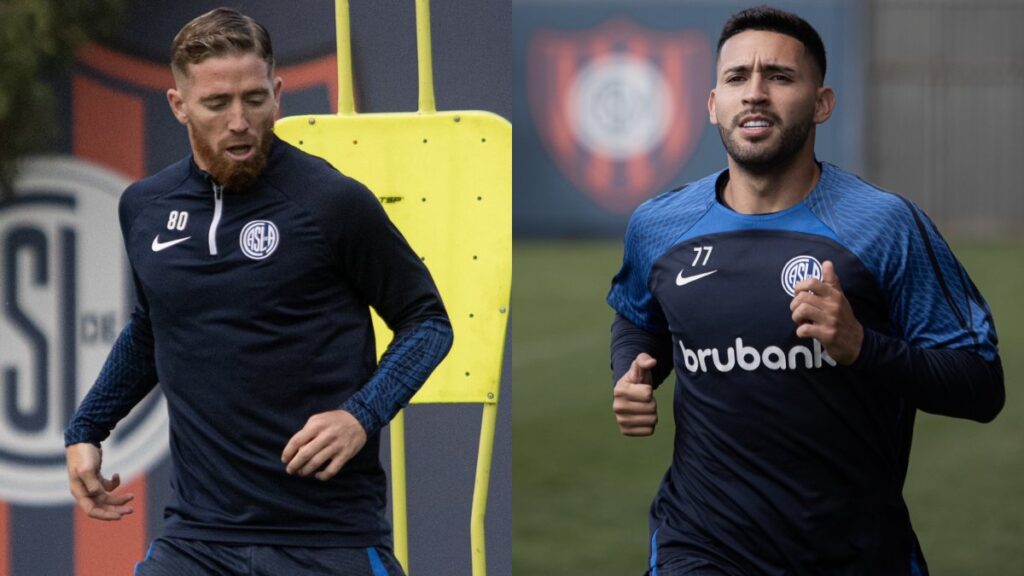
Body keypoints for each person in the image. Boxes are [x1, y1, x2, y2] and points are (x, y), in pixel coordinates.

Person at [607, 5, 1004, 575]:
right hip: (698, 547)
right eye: (737, 77)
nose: (756, 93)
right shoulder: (658, 224)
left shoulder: (884, 225)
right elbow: (639, 317)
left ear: (822, 104)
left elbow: (981, 385)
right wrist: (632, 369)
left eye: (781, 77)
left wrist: (862, 346)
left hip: (855, 553)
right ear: (713, 103)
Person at [64, 8, 451, 575]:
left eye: (254, 98)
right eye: (217, 104)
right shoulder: (144, 207)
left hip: (327, 536)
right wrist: (86, 428)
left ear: (278, 93)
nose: (240, 121)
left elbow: (428, 322)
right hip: (196, 538)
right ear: (179, 106)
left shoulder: (332, 201)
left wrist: (360, 415)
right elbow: (154, 325)